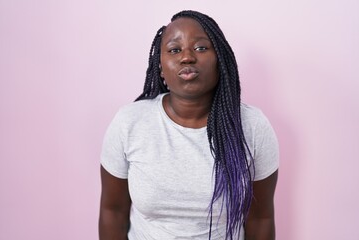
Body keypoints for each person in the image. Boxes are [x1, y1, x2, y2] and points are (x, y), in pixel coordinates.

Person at [99, 10, 279, 240]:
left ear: (220, 61)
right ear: (161, 68)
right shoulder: (129, 123)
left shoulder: (252, 127)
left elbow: (260, 218)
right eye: (175, 50)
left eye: (201, 48)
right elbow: (112, 212)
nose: (187, 57)